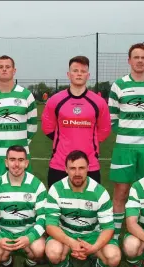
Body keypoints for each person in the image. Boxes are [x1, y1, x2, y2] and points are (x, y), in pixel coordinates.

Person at [107, 43, 144, 242]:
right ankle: (115, 236)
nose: (140, 60)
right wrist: (127, 134)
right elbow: (112, 117)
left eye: (143, 57)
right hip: (124, 147)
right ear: (129, 60)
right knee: (121, 191)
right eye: (136, 57)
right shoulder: (119, 85)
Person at [44, 150, 121, 267]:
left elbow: (108, 228)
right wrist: (72, 243)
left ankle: (95, 265)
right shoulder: (56, 189)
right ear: (66, 169)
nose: (77, 173)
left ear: (88, 168)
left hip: (92, 235)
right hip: (66, 234)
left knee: (113, 258)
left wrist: (94, 248)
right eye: (72, 168)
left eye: (81, 168)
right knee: (53, 253)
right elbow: (50, 225)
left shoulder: (100, 192)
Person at [41, 56, 111, 188]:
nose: (79, 74)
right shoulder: (55, 100)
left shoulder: (99, 102)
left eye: (83, 71)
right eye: (75, 70)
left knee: (90, 206)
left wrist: (87, 143)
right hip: (60, 164)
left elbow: (104, 130)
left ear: (88, 75)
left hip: (90, 165)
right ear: (68, 74)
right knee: (56, 206)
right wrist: (65, 140)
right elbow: (48, 128)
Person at [0, 145, 47, 267]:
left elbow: (43, 218)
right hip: (4, 232)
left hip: (27, 231)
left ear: (26, 163)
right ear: (6, 162)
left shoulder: (37, 185)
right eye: (12, 159)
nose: (16, 164)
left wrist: (29, 237)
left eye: (21, 160)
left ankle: (30, 265)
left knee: (39, 249)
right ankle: (7, 264)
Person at [0, 55, 37, 185]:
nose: (4, 69)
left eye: (8, 67)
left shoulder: (26, 95)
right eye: (1, 67)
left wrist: (19, 143)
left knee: (23, 195)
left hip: (20, 157)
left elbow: (32, 127)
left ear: (14, 70)